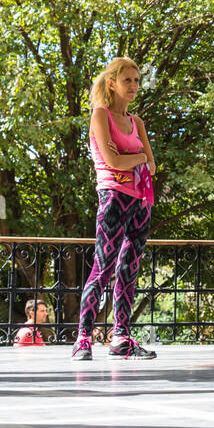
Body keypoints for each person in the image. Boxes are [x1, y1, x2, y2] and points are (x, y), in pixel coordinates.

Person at [71, 57, 157, 361]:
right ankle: (83, 339)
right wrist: (137, 158)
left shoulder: (138, 122)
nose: (134, 86)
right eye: (127, 81)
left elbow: (153, 165)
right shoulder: (100, 115)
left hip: (141, 200)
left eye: (136, 80)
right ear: (112, 83)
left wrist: (132, 157)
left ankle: (121, 338)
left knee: (128, 270)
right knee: (103, 267)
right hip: (113, 198)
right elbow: (114, 162)